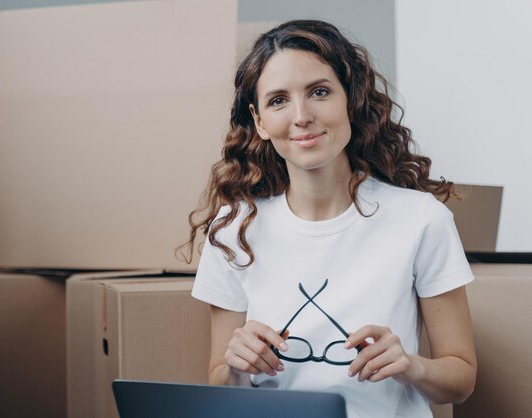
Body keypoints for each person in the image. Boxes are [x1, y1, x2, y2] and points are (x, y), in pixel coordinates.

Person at [178, 19, 476, 418]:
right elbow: (221, 380)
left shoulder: (422, 220)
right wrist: (235, 368)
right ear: (260, 121)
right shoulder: (233, 230)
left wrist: (411, 365)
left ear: (350, 99)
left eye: (319, 92)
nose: (301, 116)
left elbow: (461, 379)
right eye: (278, 100)